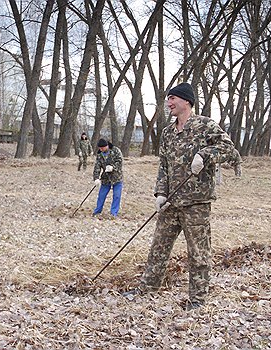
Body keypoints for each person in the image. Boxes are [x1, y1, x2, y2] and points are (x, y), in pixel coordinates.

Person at [123, 82, 234, 310]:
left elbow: (230, 149)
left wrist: (205, 155)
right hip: (172, 201)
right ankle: (148, 288)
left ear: (186, 101)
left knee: (198, 253)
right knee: (159, 247)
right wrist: (161, 193)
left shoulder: (205, 126)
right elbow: (163, 164)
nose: (169, 103)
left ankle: (197, 300)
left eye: (173, 99)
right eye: (168, 99)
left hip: (196, 203)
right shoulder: (167, 132)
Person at [92, 138, 123, 218]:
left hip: (117, 178)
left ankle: (113, 213)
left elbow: (120, 161)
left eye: (102, 148)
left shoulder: (116, 150)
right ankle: (97, 211)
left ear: (107, 146)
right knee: (101, 195)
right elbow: (97, 167)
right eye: (99, 148)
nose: (101, 149)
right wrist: (96, 178)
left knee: (116, 196)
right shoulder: (99, 155)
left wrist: (113, 167)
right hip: (105, 178)